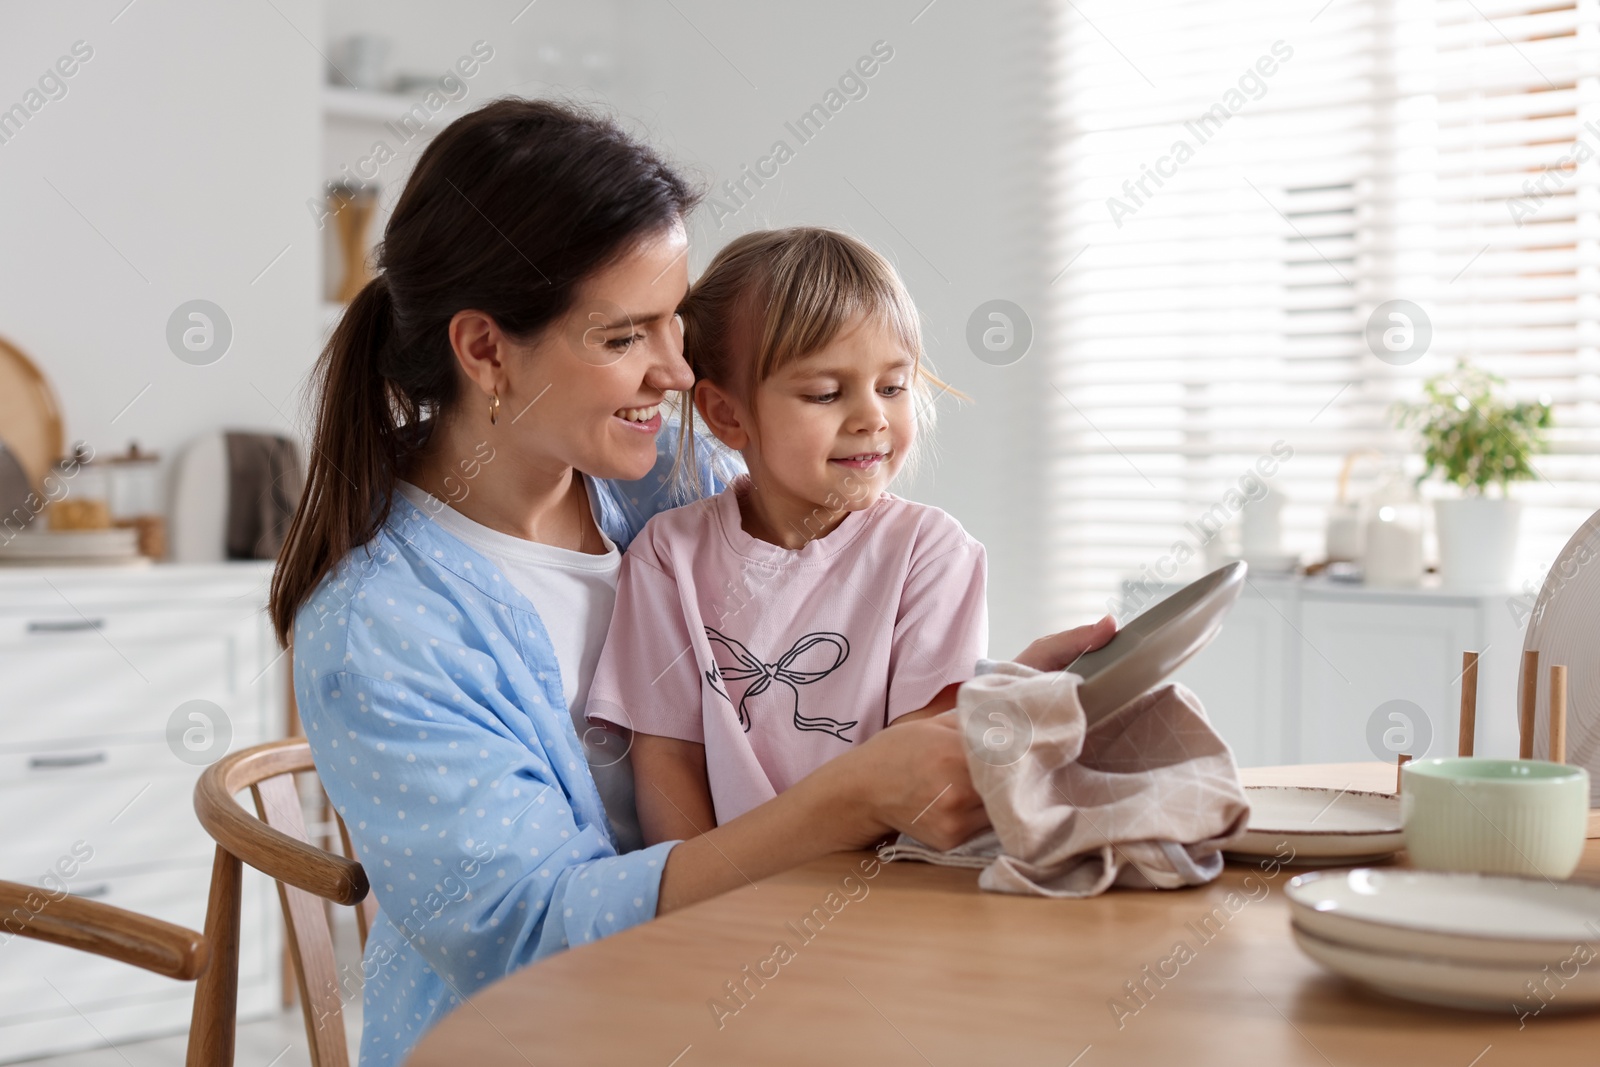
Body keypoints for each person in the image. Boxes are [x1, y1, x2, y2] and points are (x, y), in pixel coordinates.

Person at [269, 98, 1114, 1065]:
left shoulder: (681, 483)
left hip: (770, 991)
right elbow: (533, 936)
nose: (677, 373)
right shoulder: (382, 627)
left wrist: (987, 697)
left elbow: (824, 676)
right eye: (625, 336)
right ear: (486, 349)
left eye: (674, 323)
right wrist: (855, 798)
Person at [586, 227, 990, 841]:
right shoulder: (669, 559)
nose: (872, 418)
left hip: (881, 892)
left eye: (893, 387)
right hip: (725, 902)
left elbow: (924, 759)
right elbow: (667, 764)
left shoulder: (929, 553)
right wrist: (712, 912)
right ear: (727, 415)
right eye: (826, 393)